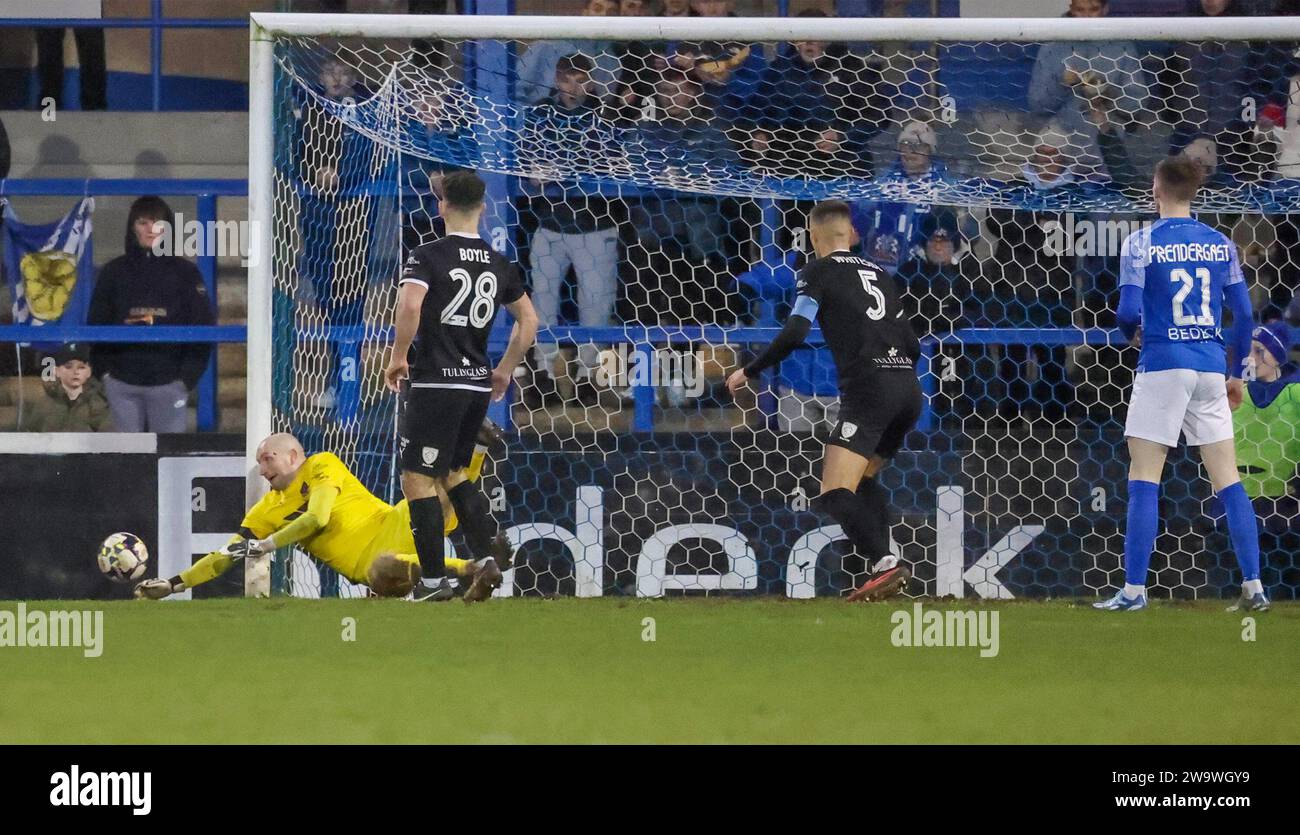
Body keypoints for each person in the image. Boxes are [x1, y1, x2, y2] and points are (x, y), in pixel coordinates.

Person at [726, 200, 921, 603]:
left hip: (870, 389)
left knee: (833, 492)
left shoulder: (815, 272)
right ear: (850, 235)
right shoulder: (881, 274)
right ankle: (880, 572)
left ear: (813, 237)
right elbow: (912, 343)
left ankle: (885, 563)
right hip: (908, 389)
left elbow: (796, 330)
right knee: (864, 478)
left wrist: (751, 370)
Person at [1096, 157, 1266, 612]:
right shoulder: (1220, 243)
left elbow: (1128, 312)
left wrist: (1132, 334)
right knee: (1228, 479)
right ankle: (1254, 587)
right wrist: (1235, 373)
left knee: (1144, 477)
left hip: (1163, 364)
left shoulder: (1141, 242)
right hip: (1211, 366)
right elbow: (1245, 315)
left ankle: (1134, 590)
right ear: (1193, 192)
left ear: (1156, 188)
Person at [384, 171, 539, 602]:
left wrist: (398, 357)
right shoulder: (498, 261)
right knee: (452, 473)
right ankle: (485, 559)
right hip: (474, 384)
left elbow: (410, 304)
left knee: (417, 480)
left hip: (436, 382)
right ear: (483, 209)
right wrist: (505, 369)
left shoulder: (427, 255)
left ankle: (433, 583)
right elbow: (529, 321)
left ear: (442, 207)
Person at [134, 429, 507, 602]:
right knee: (383, 569)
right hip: (371, 567)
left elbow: (317, 518)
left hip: (390, 521)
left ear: (294, 456)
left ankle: (475, 448)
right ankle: (474, 568)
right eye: (259, 463)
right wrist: (174, 584)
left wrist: (267, 544)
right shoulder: (266, 511)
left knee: (433, 491)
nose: (262, 470)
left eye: (268, 459)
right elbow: (225, 557)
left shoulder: (321, 465)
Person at [521, 55, 624, 399]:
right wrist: (534, 169)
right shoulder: (539, 114)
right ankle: (543, 377)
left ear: (591, 80)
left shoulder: (606, 113)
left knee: (596, 305)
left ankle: (588, 379)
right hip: (550, 224)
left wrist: (560, 167)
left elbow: (612, 160)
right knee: (542, 305)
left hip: (596, 225)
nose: (573, 87)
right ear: (556, 79)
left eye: (581, 79)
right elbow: (524, 157)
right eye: (567, 79)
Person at [86, 196, 214, 433]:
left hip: (169, 384)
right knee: (127, 460)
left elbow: (204, 326)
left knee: (169, 459)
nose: (151, 230)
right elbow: (96, 323)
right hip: (120, 383)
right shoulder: (113, 272)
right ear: (132, 227)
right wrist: (106, 374)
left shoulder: (186, 273)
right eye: (143, 222)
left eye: (157, 223)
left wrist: (184, 380)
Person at [18, 343, 112, 432]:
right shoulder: (45, 403)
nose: (75, 372)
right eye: (68, 367)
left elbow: (108, 440)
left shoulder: (99, 404)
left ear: (89, 372)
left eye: (81, 367)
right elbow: (30, 437)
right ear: (57, 371)